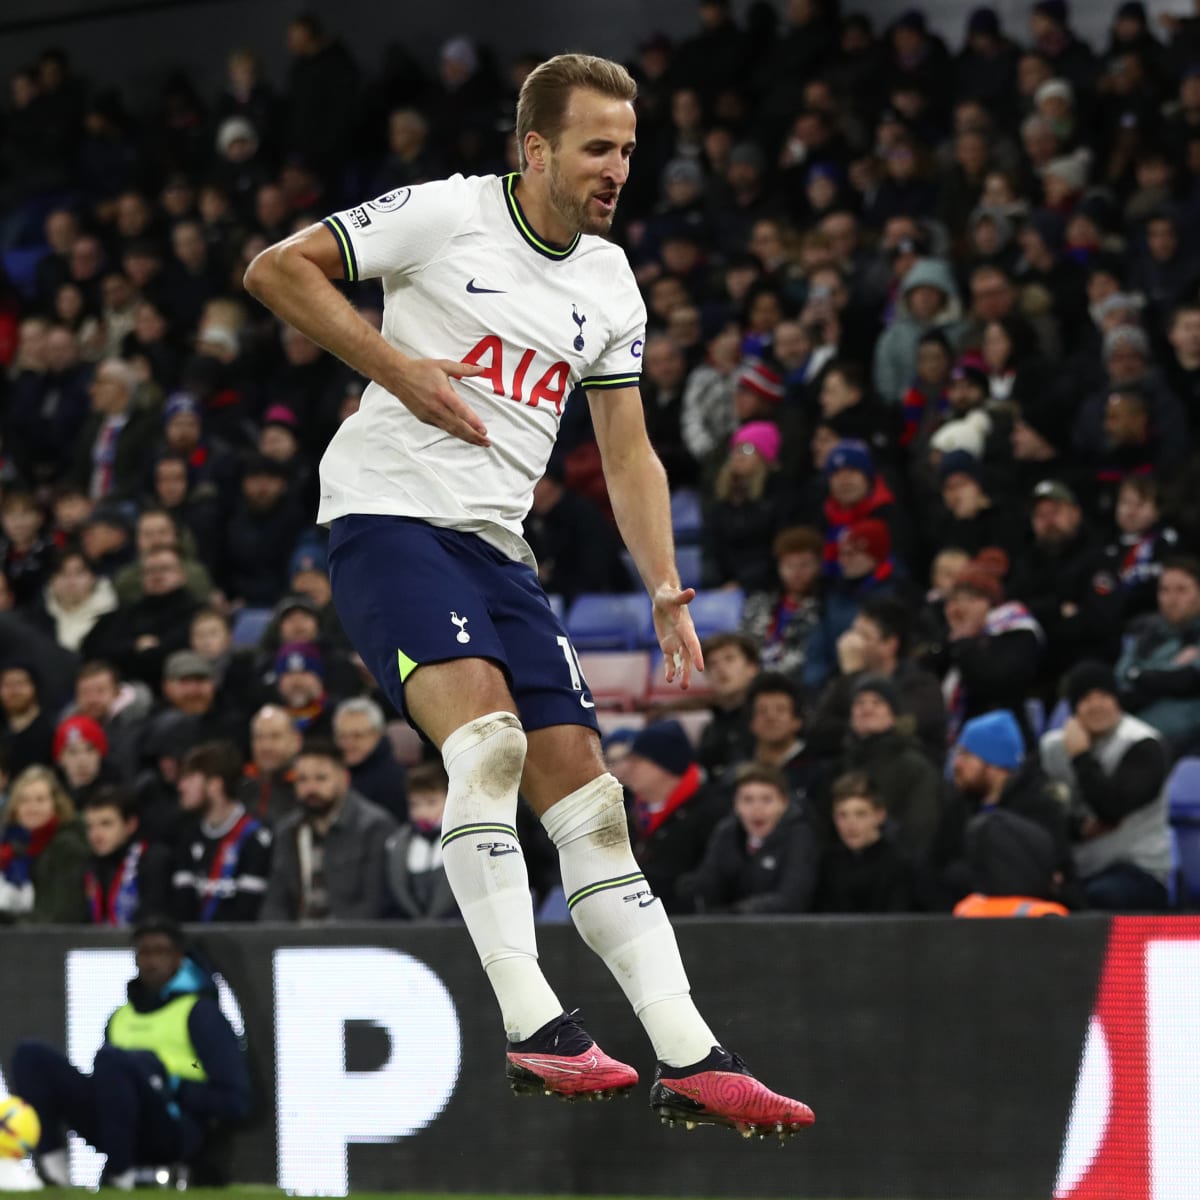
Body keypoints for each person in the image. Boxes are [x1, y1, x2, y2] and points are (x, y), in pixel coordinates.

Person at [244, 52, 812, 1131]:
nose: (617, 170)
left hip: (499, 552)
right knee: (489, 749)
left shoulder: (608, 281)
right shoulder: (446, 215)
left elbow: (630, 449)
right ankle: (534, 1023)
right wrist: (398, 369)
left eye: (630, 150)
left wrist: (665, 587)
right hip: (388, 517)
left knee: (592, 807)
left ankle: (692, 1056)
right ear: (535, 147)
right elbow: (278, 269)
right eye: (598, 147)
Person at [11, 916, 252, 1189]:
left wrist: (171, 1085)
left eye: (160, 952)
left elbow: (237, 1101)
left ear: (178, 958)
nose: (151, 962)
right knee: (30, 1056)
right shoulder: (120, 1016)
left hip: (171, 1127)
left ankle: (119, 1175)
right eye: (144, 952)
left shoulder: (200, 1014)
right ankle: (54, 1168)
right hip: (116, 1118)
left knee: (115, 1061)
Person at [1041, 661, 1172, 910]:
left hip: (1137, 870)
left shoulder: (1144, 744)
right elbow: (1034, 807)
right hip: (1075, 868)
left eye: (1104, 695)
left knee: (1099, 896)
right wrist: (1076, 827)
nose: (1096, 705)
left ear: (1117, 701)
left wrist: (1080, 756)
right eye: (1086, 698)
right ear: (1073, 708)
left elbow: (1112, 807)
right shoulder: (1052, 748)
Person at [933, 710, 1078, 909]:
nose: (956, 764)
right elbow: (933, 865)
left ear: (993, 764)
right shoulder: (960, 806)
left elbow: (1053, 877)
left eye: (966, 755)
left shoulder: (1039, 807)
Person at [259, 739, 397, 921]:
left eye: (321, 778)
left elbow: (374, 904)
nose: (310, 788)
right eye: (302, 780)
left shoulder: (375, 826)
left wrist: (328, 939)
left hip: (353, 940)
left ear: (344, 779)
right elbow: (275, 902)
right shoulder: (287, 830)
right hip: (297, 941)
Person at [683, 763, 819, 914]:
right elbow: (708, 882)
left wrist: (736, 912)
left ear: (784, 803)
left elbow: (792, 899)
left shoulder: (799, 836)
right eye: (747, 800)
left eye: (766, 800)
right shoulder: (727, 833)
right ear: (736, 805)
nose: (757, 809)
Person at [170, 741, 272, 923]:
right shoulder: (187, 835)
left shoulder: (256, 837)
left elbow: (248, 913)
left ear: (215, 785)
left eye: (189, 778)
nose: (181, 786)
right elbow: (182, 909)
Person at [0, 764, 88, 924]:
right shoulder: (13, 848)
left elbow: (60, 914)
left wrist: (8, 923)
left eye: (40, 800)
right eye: (24, 800)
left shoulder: (67, 847)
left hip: (54, 941)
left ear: (56, 805)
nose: (32, 807)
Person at [814, 772, 913, 913]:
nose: (850, 825)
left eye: (860, 814)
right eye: (842, 815)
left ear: (879, 815)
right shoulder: (828, 864)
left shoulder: (900, 864)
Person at [82, 786, 172, 926]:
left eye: (106, 824)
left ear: (130, 825)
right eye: (90, 826)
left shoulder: (153, 860)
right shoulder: (90, 866)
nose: (96, 835)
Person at [384, 761, 459, 920]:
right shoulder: (398, 844)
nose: (422, 812)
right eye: (415, 804)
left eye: (431, 802)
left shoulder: (464, 841)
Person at [333, 696, 408, 821]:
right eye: (342, 736)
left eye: (357, 736)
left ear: (377, 734)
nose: (348, 743)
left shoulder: (395, 780)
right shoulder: (332, 772)